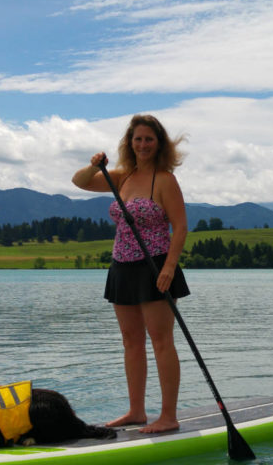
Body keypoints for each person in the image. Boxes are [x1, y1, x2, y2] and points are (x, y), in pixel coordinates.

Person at [71, 114, 190, 433]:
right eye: (137, 139)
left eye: (149, 139)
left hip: (155, 267)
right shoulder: (121, 176)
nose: (143, 144)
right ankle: (136, 411)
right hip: (121, 267)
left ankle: (168, 417)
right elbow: (79, 182)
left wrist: (168, 268)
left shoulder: (164, 180)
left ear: (159, 143)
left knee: (161, 341)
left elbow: (180, 228)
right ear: (129, 143)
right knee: (130, 341)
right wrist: (95, 164)